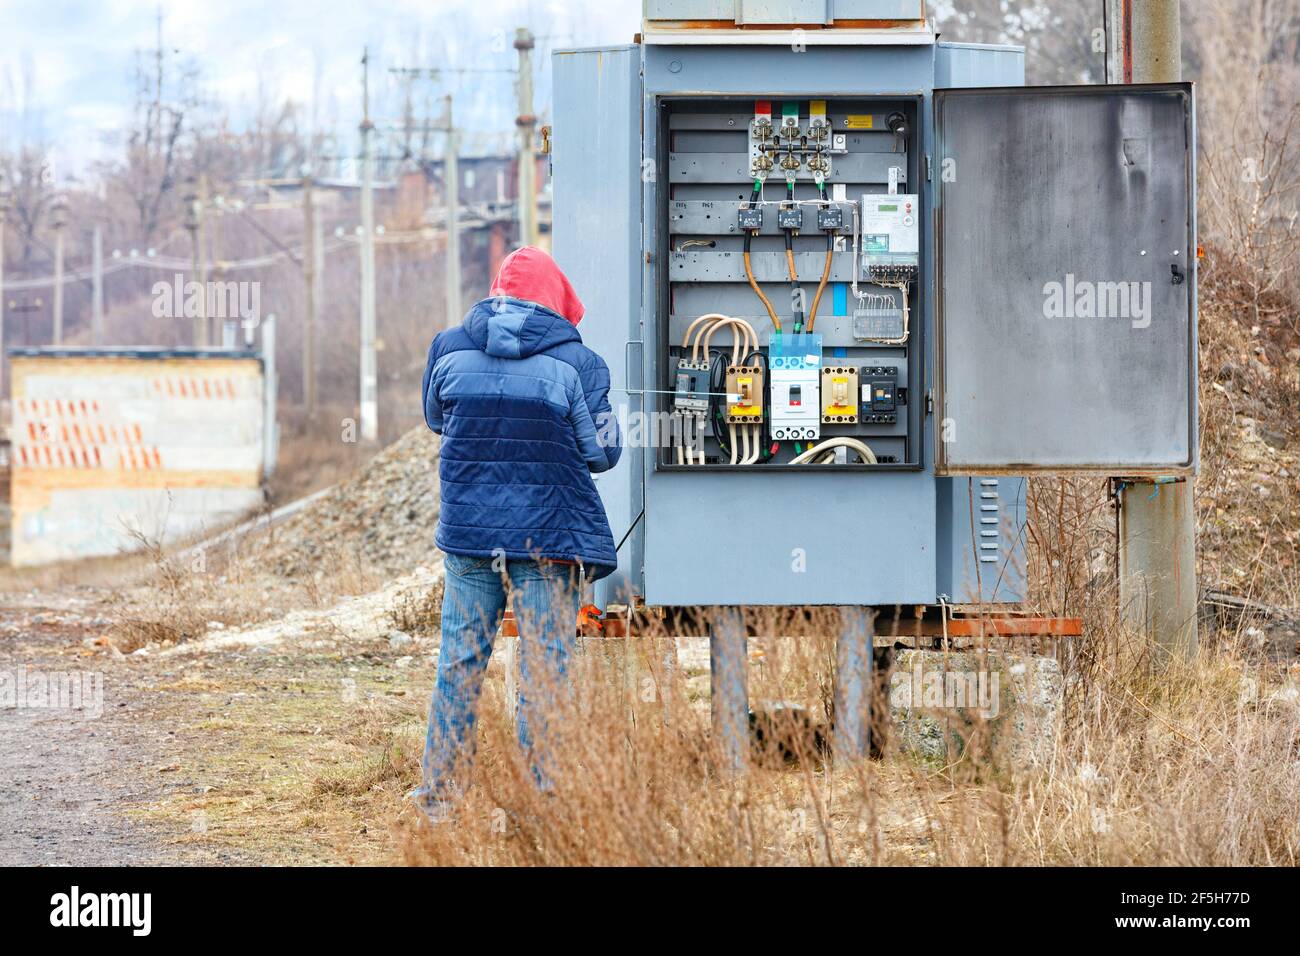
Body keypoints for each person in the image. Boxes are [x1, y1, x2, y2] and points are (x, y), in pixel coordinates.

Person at [410, 246, 622, 819]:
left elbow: (437, 418)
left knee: (459, 661)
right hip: (548, 539)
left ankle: (439, 799)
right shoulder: (582, 365)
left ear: (496, 291)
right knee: (544, 669)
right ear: (556, 300)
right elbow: (603, 454)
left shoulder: (448, 347)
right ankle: (538, 807)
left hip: (471, 536)